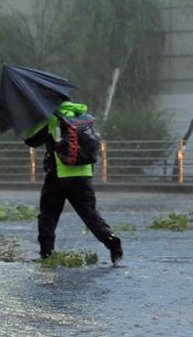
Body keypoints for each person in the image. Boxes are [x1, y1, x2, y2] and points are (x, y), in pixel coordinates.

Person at [23, 101, 123, 267]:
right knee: (90, 215)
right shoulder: (82, 116)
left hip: (58, 176)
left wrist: (35, 119)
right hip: (83, 175)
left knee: (48, 215)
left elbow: (31, 141)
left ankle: (47, 254)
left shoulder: (52, 118)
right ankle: (112, 242)